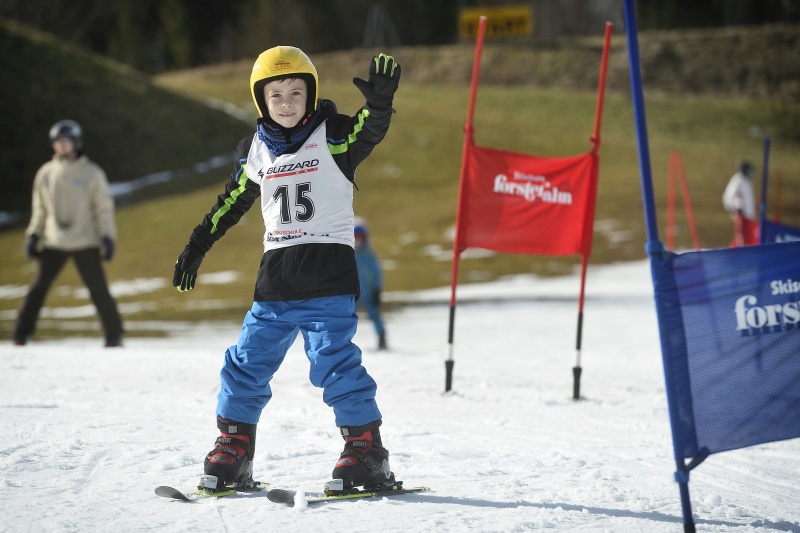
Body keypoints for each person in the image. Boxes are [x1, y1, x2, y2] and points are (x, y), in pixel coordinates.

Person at [171, 46, 401, 492]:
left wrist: (379, 105)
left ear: (310, 94)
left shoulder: (334, 135)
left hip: (328, 275)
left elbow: (369, 131)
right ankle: (234, 447)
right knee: (247, 362)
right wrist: (196, 247)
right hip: (275, 279)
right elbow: (229, 205)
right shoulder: (256, 151)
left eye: (296, 92)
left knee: (335, 363)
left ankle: (366, 451)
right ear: (262, 101)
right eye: (275, 95)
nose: (287, 102)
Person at [13, 120, 124, 348]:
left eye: (66, 140)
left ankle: (114, 335)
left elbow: (103, 209)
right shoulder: (46, 173)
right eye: (57, 141)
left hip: (85, 241)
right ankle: (20, 334)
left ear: (76, 143)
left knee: (99, 290)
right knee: (37, 289)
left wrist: (107, 237)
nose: (62, 145)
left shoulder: (91, 173)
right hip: (54, 241)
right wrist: (33, 235)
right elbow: (39, 209)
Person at [354, 218, 388, 350]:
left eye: (360, 236)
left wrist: (377, 289)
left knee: (375, 314)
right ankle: (341, 341)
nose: (358, 239)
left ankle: (382, 338)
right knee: (347, 316)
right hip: (353, 293)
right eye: (355, 236)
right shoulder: (350, 254)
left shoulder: (369, 255)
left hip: (368, 291)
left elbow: (377, 273)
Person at [722, 160, 758, 246]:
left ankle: (746, 253)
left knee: (750, 240)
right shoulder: (738, 180)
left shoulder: (747, 181)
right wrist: (735, 207)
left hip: (749, 217)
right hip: (742, 216)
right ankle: (737, 253)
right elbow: (728, 197)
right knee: (742, 240)